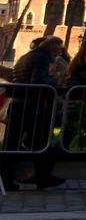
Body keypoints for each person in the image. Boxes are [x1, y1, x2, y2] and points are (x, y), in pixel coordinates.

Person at [0, 37, 65, 191]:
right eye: (58, 49)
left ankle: (7, 179)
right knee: (41, 142)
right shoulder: (42, 58)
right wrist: (54, 80)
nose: (59, 53)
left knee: (13, 144)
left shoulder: (25, 57)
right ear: (52, 48)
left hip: (19, 103)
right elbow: (38, 80)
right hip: (33, 105)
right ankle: (43, 177)